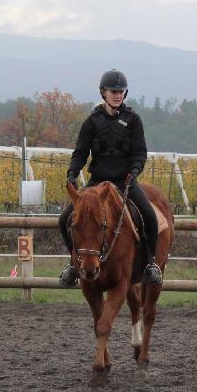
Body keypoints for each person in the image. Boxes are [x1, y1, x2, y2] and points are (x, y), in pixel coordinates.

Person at [58, 69, 161, 286]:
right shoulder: (91, 122)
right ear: (103, 93)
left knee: (150, 217)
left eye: (120, 91)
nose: (117, 95)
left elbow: (140, 153)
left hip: (125, 183)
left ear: (125, 93)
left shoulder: (133, 120)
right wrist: (72, 172)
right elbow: (80, 152)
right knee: (64, 219)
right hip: (97, 185)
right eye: (113, 91)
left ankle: (151, 263)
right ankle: (72, 264)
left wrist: (134, 172)